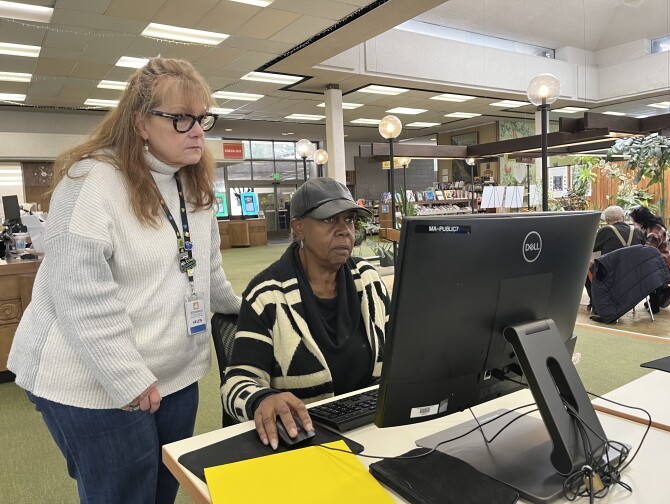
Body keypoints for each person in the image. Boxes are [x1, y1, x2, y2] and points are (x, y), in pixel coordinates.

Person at [7, 57, 241, 503]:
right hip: (90, 382)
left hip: (174, 375)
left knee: (161, 490)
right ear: (140, 122)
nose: (197, 131)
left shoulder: (193, 184)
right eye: (181, 119)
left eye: (203, 118)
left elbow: (207, 272)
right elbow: (80, 295)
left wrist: (246, 310)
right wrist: (127, 375)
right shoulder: (92, 181)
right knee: (123, 496)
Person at [222, 177, 389, 450]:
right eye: (328, 220)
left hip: (371, 429)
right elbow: (236, 382)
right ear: (299, 226)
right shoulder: (267, 295)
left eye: (348, 219)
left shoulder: (367, 279)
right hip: (304, 439)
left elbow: (398, 351)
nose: (344, 230)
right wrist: (261, 399)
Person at [585, 205, 645, 313]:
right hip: (636, 275)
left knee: (586, 271)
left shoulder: (606, 230)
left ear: (607, 220)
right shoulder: (637, 231)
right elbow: (643, 248)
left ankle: (596, 305)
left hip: (610, 275)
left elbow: (592, 248)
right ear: (622, 217)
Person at [629, 205, 670, 312]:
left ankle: (656, 301)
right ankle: (662, 292)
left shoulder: (654, 233)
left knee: (642, 273)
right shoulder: (654, 226)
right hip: (662, 261)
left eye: (635, 221)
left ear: (641, 221)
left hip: (662, 263)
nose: (634, 224)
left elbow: (647, 252)